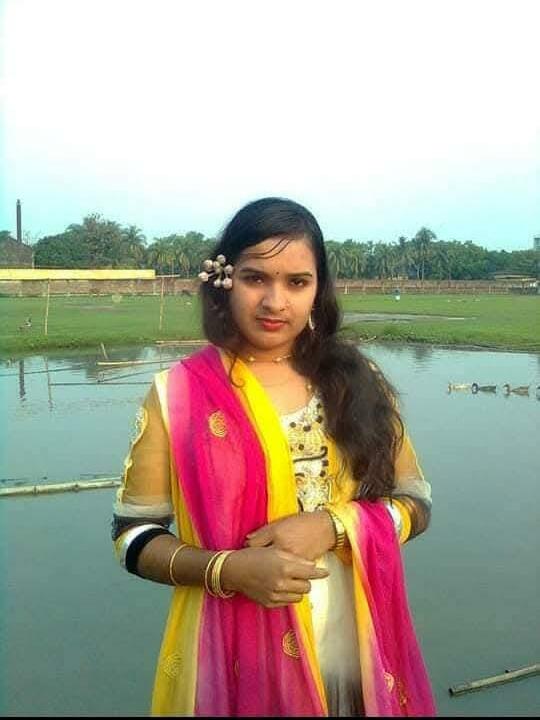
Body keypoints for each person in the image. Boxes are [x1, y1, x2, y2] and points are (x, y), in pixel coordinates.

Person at [111, 197, 435, 717]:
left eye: (296, 282)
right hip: (232, 658)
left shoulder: (357, 383)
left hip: (352, 645)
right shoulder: (178, 394)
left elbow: (415, 502)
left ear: (317, 290)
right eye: (255, 278)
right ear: (225, 280)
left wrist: (332, 527)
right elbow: (133, 537)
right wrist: (229, 570)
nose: (274, 301)